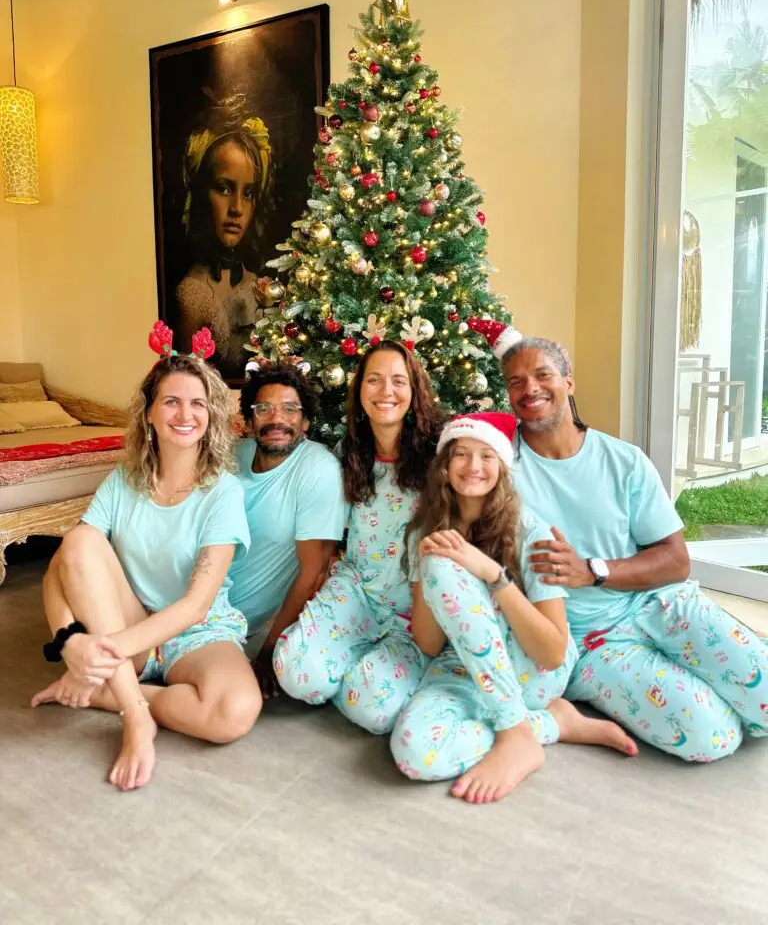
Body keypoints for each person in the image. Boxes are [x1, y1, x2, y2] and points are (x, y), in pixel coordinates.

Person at [475, 322, 768, 762]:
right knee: (713, 737)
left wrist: (592, 570)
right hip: (590, 642)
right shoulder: (498, 468)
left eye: (542, 375)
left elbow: (676, 561)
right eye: (515, 382)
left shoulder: (624, 461)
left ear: (569, 382)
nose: (529, 388)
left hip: (659, 602)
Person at [30, 324, 261, 791]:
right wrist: (70, 643)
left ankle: (105, 693)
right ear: (150, 413)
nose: (185, 414)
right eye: (171, 401)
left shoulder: (224, 493)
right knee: (78, 541)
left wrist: (102, 653)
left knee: (234, 712)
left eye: (198, 404)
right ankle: (135, 715)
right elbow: (62, 568)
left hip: (196, 630)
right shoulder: (123, 480)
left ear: (211, 415)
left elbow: (195, 605)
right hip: (128, 620)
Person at [391, 412, 636, 804]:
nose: (473, 466)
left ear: (502, 466)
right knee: (415, 753)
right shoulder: (426, 530)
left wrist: (493, 574)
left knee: (445, 560)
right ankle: (551, 723)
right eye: (461, 454)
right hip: (464, 665)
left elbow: (552, 653)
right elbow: (430, 644)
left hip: (532, 669)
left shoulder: (532, 533)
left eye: (487, 456)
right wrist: (428, 569)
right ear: (445, 466)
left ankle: (514, 732)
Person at [273, 340, 444, 734]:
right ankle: (353, 666)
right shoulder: (348, 450)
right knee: (295, 672)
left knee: (373, 710)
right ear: (360, 389)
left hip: (414, 608)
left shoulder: (440, 454)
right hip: (357, 590)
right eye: (374, 380)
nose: (386, 391)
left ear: (414, 390)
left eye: (398, 381)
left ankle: (363, 673)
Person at [227, 364, 347, 696]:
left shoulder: (319, 470)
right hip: (190, 596)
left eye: (290, 409)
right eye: (263, 409)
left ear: (305, 422)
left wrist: (268, 652)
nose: (276, 419)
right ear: (249, 420)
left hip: (236, 622)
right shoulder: (234, 456)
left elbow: (314, 572)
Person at [175, 113, 274, 378]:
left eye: (248, 193)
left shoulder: (257, 283)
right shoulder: (193, 295)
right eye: (224, 188)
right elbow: (193, 384)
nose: (237, 208)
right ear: (201, 193)